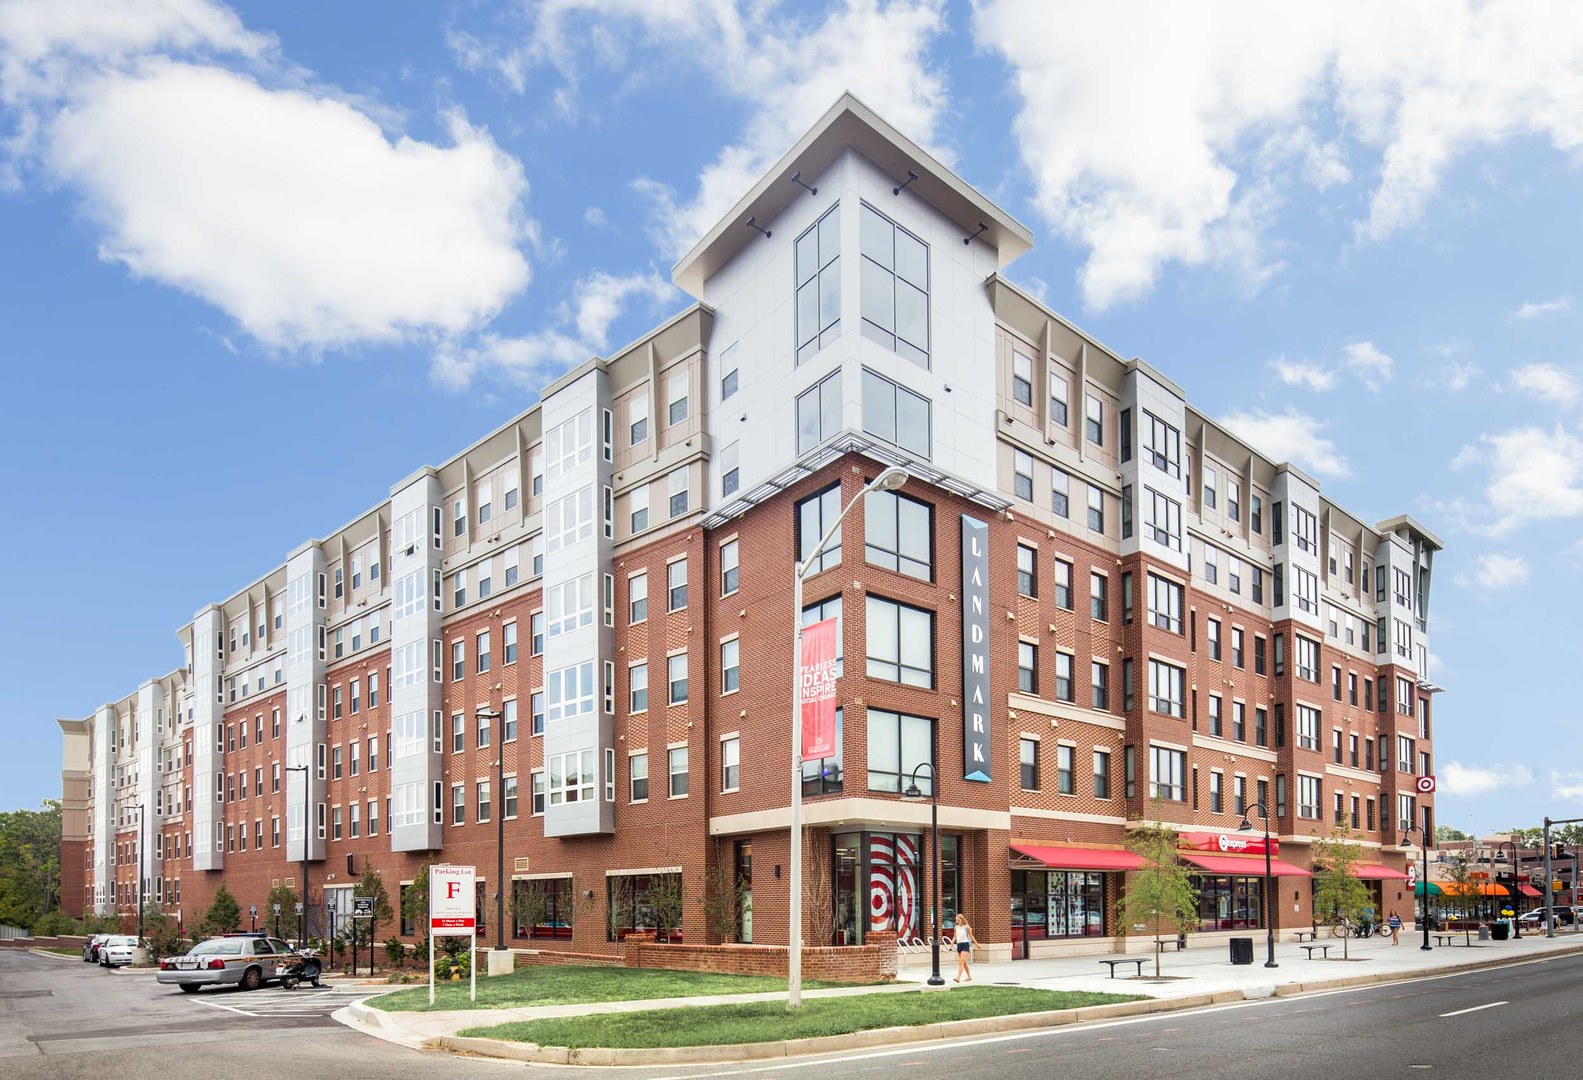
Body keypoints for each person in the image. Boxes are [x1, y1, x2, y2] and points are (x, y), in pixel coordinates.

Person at [952, 914, 975, 983]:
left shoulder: (966, 927)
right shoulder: (956, 927)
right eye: (956, 920)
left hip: (965, 944)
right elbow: (954, 937)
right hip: (959, 945)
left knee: (960, 962)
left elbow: (971, 936)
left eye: (958, 920)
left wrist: (976, 944)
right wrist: (951, 943)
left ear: (962, 920)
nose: (957, 921)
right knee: (964, 962)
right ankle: (969, 976)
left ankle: (958, 978)